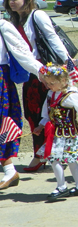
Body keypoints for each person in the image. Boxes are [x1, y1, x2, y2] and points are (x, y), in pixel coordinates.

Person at [4, 0, 70, 172]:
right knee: (33, 114)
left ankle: (58, 153)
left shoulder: (37, 15)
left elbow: (53, 38)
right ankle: (40, 153)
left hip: (47, 71)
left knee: (54, 113)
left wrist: (68, 65)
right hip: (31, 74)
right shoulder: (15, 20)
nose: (12, 2)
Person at [34, 63, 78, 201]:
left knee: (62, 159)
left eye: (52, 83)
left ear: (63, 81)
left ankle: (63, 187)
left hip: (69, 134)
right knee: (58, 159)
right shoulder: (51, 94)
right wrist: (40, 126)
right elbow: (47, 113)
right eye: (47, 83)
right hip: (55, 134)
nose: (48, 86)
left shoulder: (71, 95)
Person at [0, 19, 43, 189]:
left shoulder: (2, 25)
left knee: (3, 124)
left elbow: (22, 52)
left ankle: (9, 170)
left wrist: (42, 71)